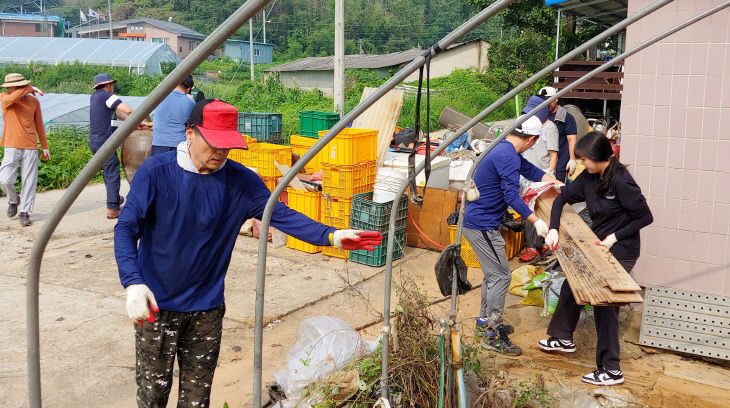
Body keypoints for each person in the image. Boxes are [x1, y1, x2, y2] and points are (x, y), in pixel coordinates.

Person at [114, 99, 383, 408]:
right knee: (153, 395)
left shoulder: (241, 181)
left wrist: (331, 235)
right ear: (190, 133)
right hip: (155, 305)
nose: (220, 153)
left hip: (206, 309)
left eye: (227, 146)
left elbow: (281, 214)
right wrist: (132, 282)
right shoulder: (157, 173)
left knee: (197, 398)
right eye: (213, 143)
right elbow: (125, 228)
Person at [538, 131, 653, 386]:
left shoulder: (622, 181)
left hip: (622, 247)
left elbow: (645, 217)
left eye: (584, 159)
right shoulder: (589, 177)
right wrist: (554, 227)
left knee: (604, 302)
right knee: (574, 282)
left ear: (598, 157)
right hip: (598, 244)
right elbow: (562, 199)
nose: (581, 163)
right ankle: (562, 337)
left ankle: (611, 369)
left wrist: (615, 236)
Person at [463, 116, 560, 356]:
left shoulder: (506, 149)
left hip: (482, 223)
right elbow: (512, 197)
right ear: (532, 140)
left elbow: (531, 171)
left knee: (493, 275)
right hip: (482, 225)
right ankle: (492, 333)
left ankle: (484, 323)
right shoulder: (506, 154)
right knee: (501, 276)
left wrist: (554, 182)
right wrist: (536, 221)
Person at [90, 73, 151, 219]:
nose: (112, 87)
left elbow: (119, 114)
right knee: (112, 172)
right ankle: (113, 208)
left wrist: (137, 123)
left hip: (95, 141)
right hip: (105, 142)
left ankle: (115, 198)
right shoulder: (107, 96)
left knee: (108, 170)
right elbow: (128, 110)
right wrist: (147, 119)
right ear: (108, 85)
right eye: (111, 84)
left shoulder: (95, 97)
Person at [0, 73, 50, 227]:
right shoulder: (4, 97)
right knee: (4, 180)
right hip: (11, 144)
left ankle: (25, 212)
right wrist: (28, 88)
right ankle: (14, 200)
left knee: (30, 180)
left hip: (30, 145)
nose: (9, 88)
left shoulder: (33, 101)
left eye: (12, 85)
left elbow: (39, 124)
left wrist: (45, 146)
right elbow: (11, 99)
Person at [519, 96, 559, 263]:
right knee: (528, 212)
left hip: (541, 175)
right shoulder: (525, 125)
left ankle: (535, 246)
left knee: (539, 212)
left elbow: (554, 154)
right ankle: (534, 245)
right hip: (527, 176)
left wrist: (550, 173)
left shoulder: (550, 128)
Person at [539, 86, 577, 182]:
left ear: (556, 99)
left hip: (560, 164)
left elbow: (571, 139)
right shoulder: (539, 116)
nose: (546, 104)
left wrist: (572, 159)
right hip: (542, 162)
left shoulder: (565, 117)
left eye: (549, 101)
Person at [151, 75, 195, 155]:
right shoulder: (190, 103)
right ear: (188, 89)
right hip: (180, 145)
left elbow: (148, 114)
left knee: (159, 167)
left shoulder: (159, 97)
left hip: (159, 143)